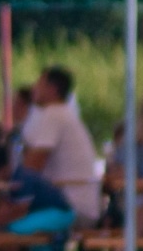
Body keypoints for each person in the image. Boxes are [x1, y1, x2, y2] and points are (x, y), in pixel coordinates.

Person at [22, 65, 101, 229]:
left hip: (70, 208)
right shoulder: (65, 115)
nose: (34, 89)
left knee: (7, 228)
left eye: (39, 84)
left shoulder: (54, 115)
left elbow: (31, 167)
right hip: (83, 207)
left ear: (52, 89)